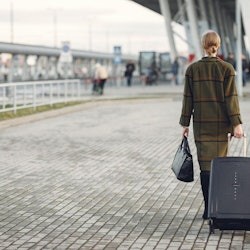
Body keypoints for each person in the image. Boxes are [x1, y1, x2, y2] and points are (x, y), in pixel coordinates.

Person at [179, 30, 244, 220]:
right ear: (218, 44)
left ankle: (208, 209)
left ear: (203, 45)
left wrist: (185, 124)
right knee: (219, 167)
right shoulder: (227, 69)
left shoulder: (192, 70)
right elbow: (231, 100)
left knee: (205, 168)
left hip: (201, 126)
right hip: (220, 127)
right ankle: (218, 209)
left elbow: (187, 99)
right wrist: (236, 124)